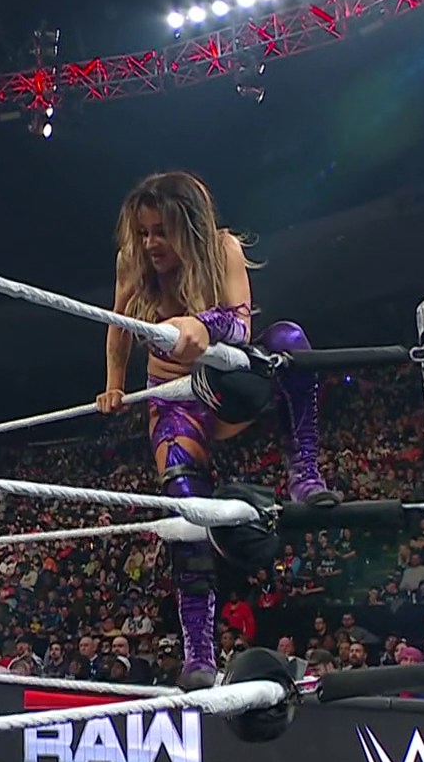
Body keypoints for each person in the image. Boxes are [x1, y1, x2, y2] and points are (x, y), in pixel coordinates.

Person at [95, 171, 341, 688]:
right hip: (174, 400)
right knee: (187, 513)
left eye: (161, 231)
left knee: (290, 341)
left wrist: (199, 325)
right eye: (143, 232)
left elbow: (242, 324)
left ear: (188, 226)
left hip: (230, 389)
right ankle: (199, 654)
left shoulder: (224, 247)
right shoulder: (132, 261)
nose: (150, 243)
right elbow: (119, 325)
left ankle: (304, 470)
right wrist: (114, 385)